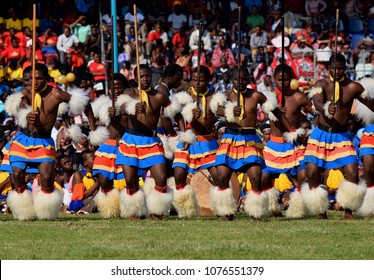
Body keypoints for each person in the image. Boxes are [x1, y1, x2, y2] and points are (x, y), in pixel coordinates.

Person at [4, 63, 92, 221]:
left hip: (43, 141)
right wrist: (25, 114)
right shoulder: (25, 92)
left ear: (47, 79)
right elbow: (19, 104)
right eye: (32, 79)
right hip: (23, 139)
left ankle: (46, 213)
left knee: (46, 176)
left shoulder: (57, 95)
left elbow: (84, 103)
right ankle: (24, 212)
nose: (34, 82)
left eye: (39, 78)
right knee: (17, 174)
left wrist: (93, 128)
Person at [303, 54, 373, 220]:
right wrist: (326, 107)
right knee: (312, 172)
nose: (337, 71)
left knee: (352, 173)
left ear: (345, 68)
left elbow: (370, 103)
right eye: (334, 68)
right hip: (321, 134)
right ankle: (320, 211)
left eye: (340, 68)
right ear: (328, 68)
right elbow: (317, 103)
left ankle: (348, 211)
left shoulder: (354, 87)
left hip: (342, 136)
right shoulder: (321, 84)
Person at [115, 64, 186, 220]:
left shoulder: (159, 96)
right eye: (142, 76)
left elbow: (177, 114)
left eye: (148, 76)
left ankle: (157, 211)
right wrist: (132, 108)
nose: (145, 79)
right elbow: (120, 110)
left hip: (151, 141)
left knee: (161, 178)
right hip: (131, 140)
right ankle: (136, 212)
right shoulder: (129, 93)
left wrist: (184, 134)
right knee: (130, 180)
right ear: (135, 78)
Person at [213, 66, 283, 220]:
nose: (241, 82)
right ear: (232, 80)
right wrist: (228, 111)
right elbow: (215, 109)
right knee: (222, 177)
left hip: (250, 138)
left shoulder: (256, 95)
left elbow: (271, 108)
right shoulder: (226, 95)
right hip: (230, 138)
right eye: (238, 79)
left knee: (255, 177)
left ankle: (256, 213)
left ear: (248, 80)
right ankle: (226, 212)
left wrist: (280, 114)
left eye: (244, 79)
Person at [262, 64, 314, 218]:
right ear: (274, 80)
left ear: (291, 79)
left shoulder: (298, 97)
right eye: (279, 80)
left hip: (291, 144)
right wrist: (274, 110)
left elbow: (316, 113)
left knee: (301, 178)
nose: (283, 82)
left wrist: (306, 130)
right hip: (273, 145)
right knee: (264, 178)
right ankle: (273, 209)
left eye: (286, 79)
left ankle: (298, 210)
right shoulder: (269, 98)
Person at [172, 66, 219, 218]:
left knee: (218, 178)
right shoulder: (184, 97)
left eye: (201, 80)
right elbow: (175, 115)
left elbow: (217, 116)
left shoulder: (214, 98)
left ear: (209, 81)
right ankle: (184, 210)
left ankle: (222, 209)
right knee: (179, 174)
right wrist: (184, 132)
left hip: (207, 142)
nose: (197, 83)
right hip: (188, 141)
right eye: (194, 79)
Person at [92, 73, 128, 218]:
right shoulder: (102, 104)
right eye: (114, 88)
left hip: (125, 146)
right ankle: (109, 211)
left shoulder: (130, 104)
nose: (117, 90)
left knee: (127, 181)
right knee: (104, 181)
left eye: (120, 87)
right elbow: (94, 121)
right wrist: (105, 117)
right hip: (107, 146)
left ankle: (127, 210)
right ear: (110, 89)